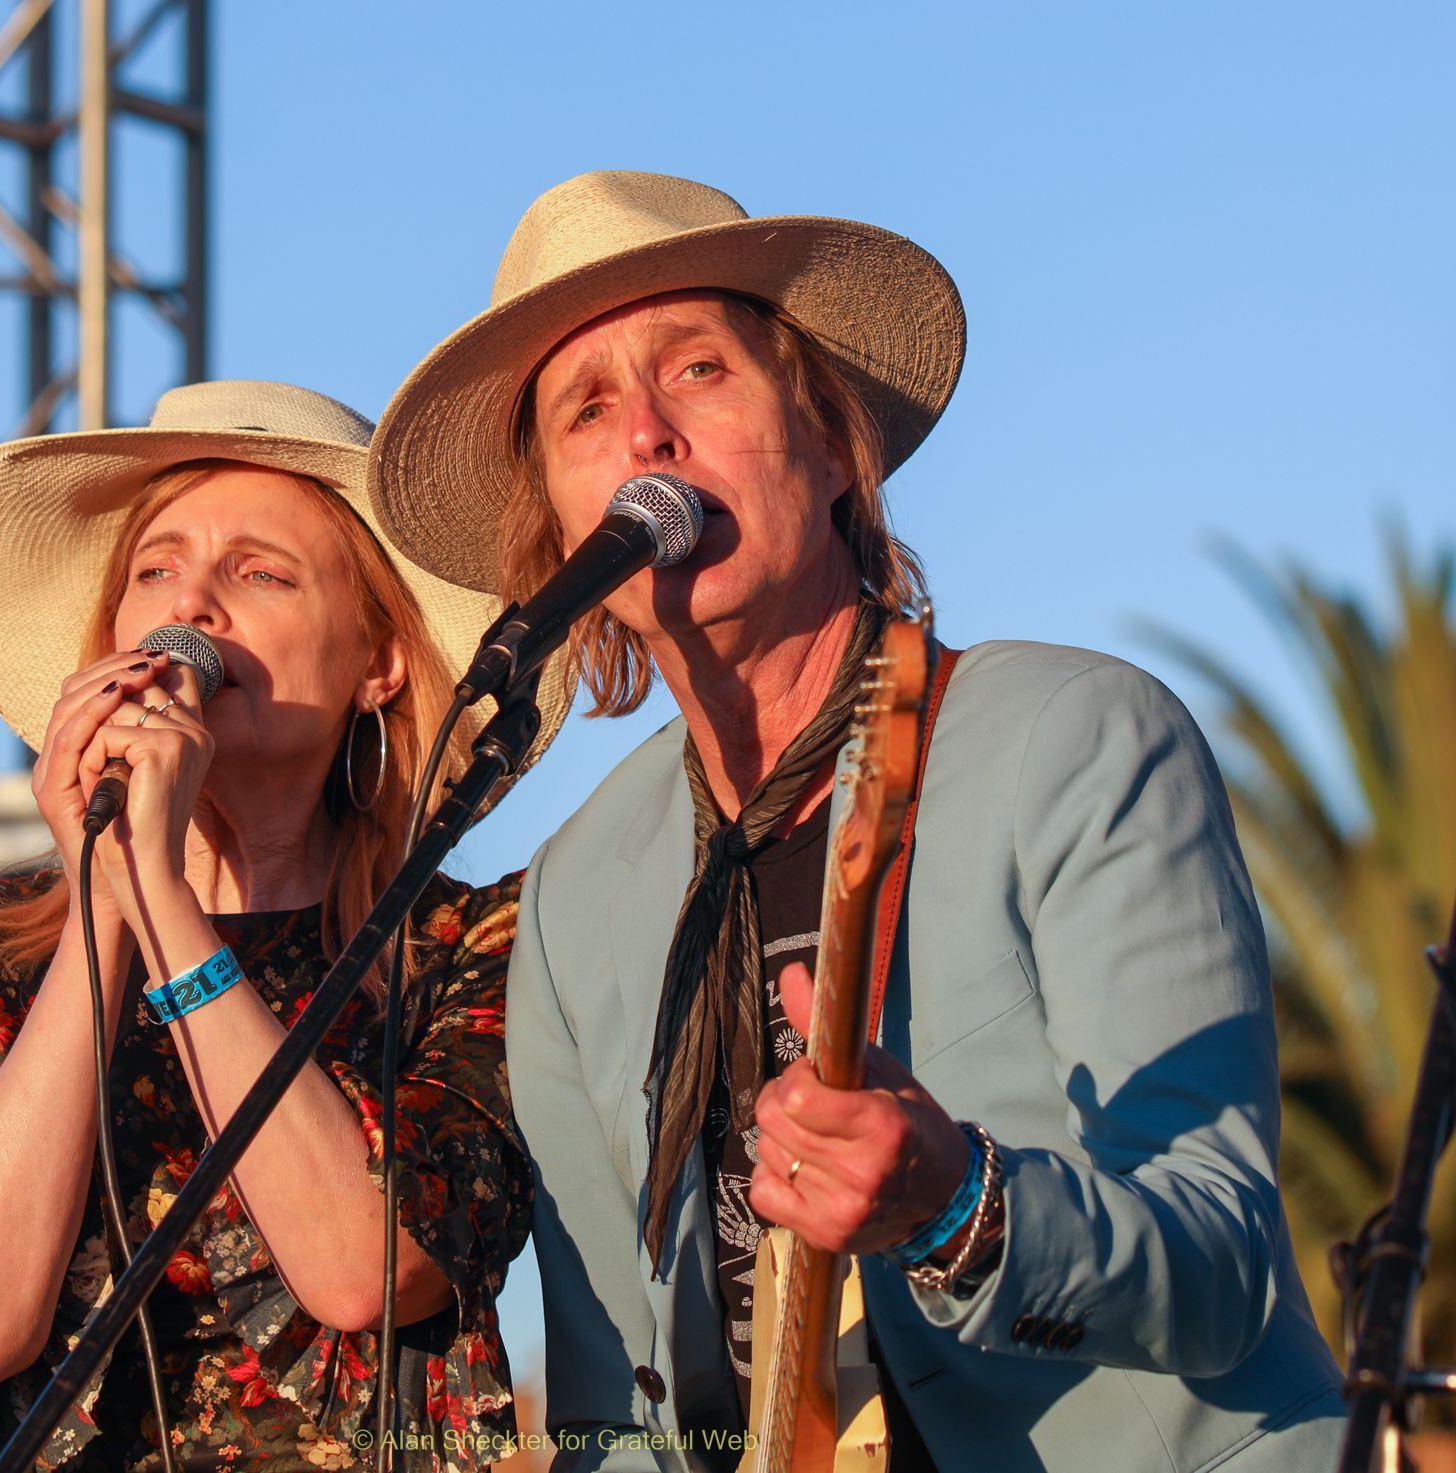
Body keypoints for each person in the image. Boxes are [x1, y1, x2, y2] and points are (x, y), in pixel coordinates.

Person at [367, 173, 1347, 1471]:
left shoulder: (1073, 735)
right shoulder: (572, 896)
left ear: (833, 444)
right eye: (585, 411)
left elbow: (1223, 1266)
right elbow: (613, 1409)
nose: (645, 435)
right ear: (559, 526)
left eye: (699, 369)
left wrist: (960, 1207)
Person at [0, 381, 567, 1472]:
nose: (191, 610)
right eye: (156, 570)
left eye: (260, 573)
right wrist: (103, 894)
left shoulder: (472, 948)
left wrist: (167, 908)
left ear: (377, 663)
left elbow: (362, 1267)